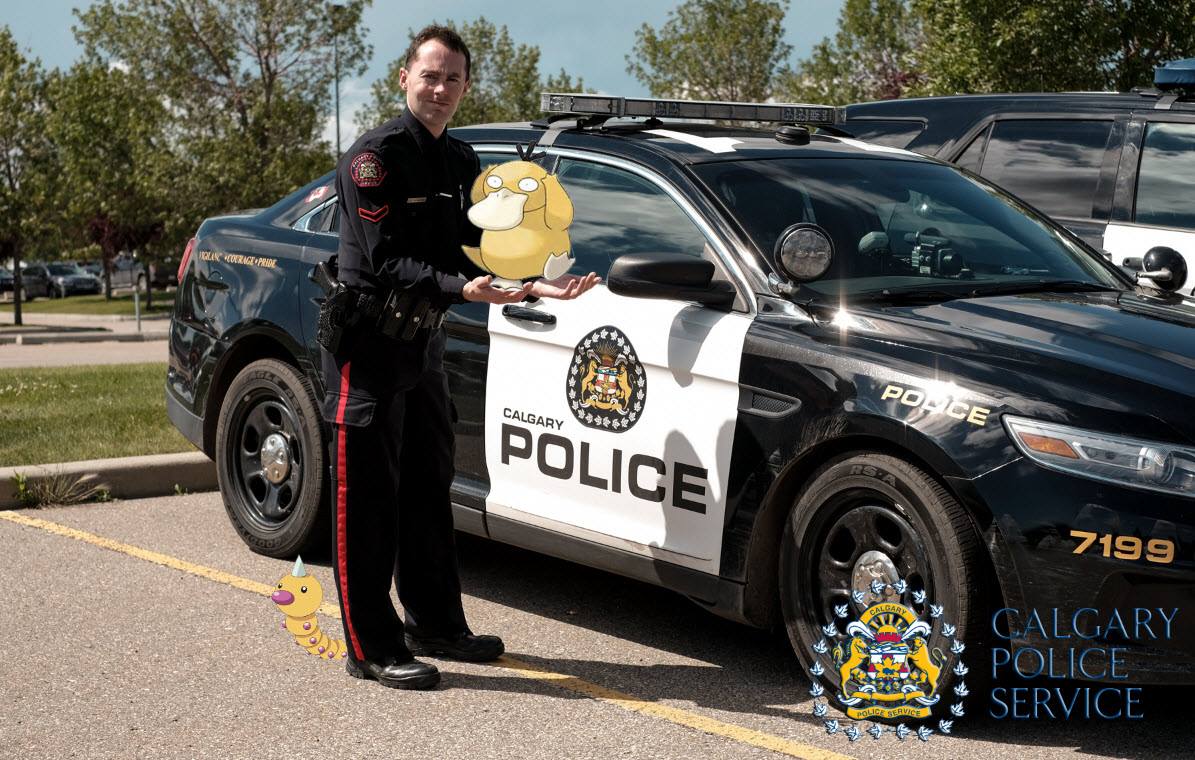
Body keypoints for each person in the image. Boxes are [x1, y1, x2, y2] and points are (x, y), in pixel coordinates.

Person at [321, 25, 598, 691]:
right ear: (404, 79)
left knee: (427, 488)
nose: (440, 88)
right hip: (370, 348)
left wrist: (535, 282)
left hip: (424, 345)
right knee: (368, 502)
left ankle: (437, 625)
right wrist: (461, 289)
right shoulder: (374, 159)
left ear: (466, 86)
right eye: (429, 75)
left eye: (452, 78)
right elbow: (385, 261)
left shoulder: (460, 160)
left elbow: (475, 250)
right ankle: (370, 646)